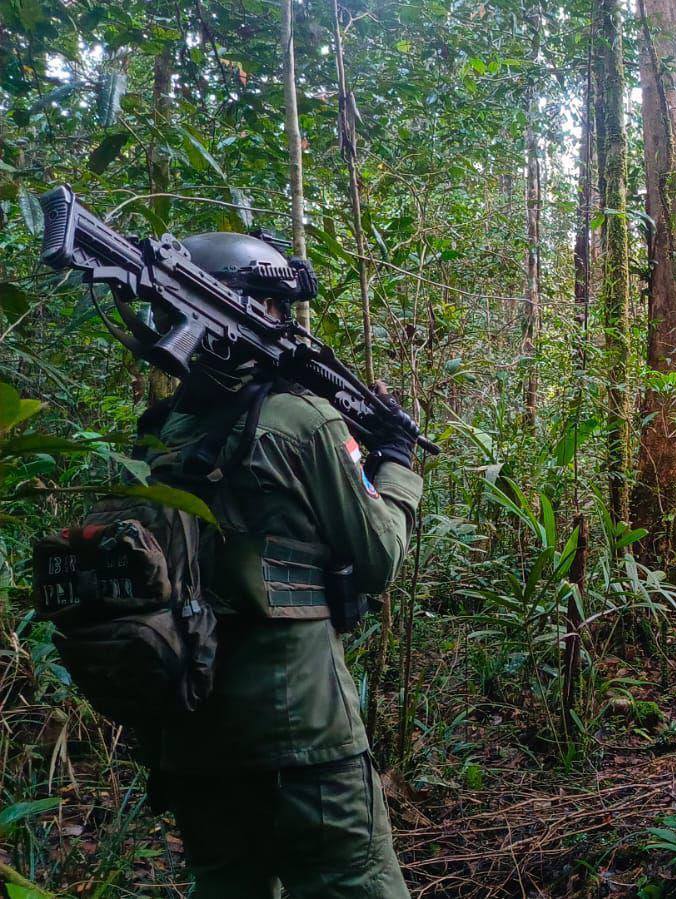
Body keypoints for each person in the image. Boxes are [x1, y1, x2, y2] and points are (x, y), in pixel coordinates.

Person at [148, 233, 422, 898]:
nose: (284, 324)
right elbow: (380, 556)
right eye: (274, 306)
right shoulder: (303, 420)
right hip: (302, 731)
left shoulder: (158, 433)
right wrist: (398, 464)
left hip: (192, 734)